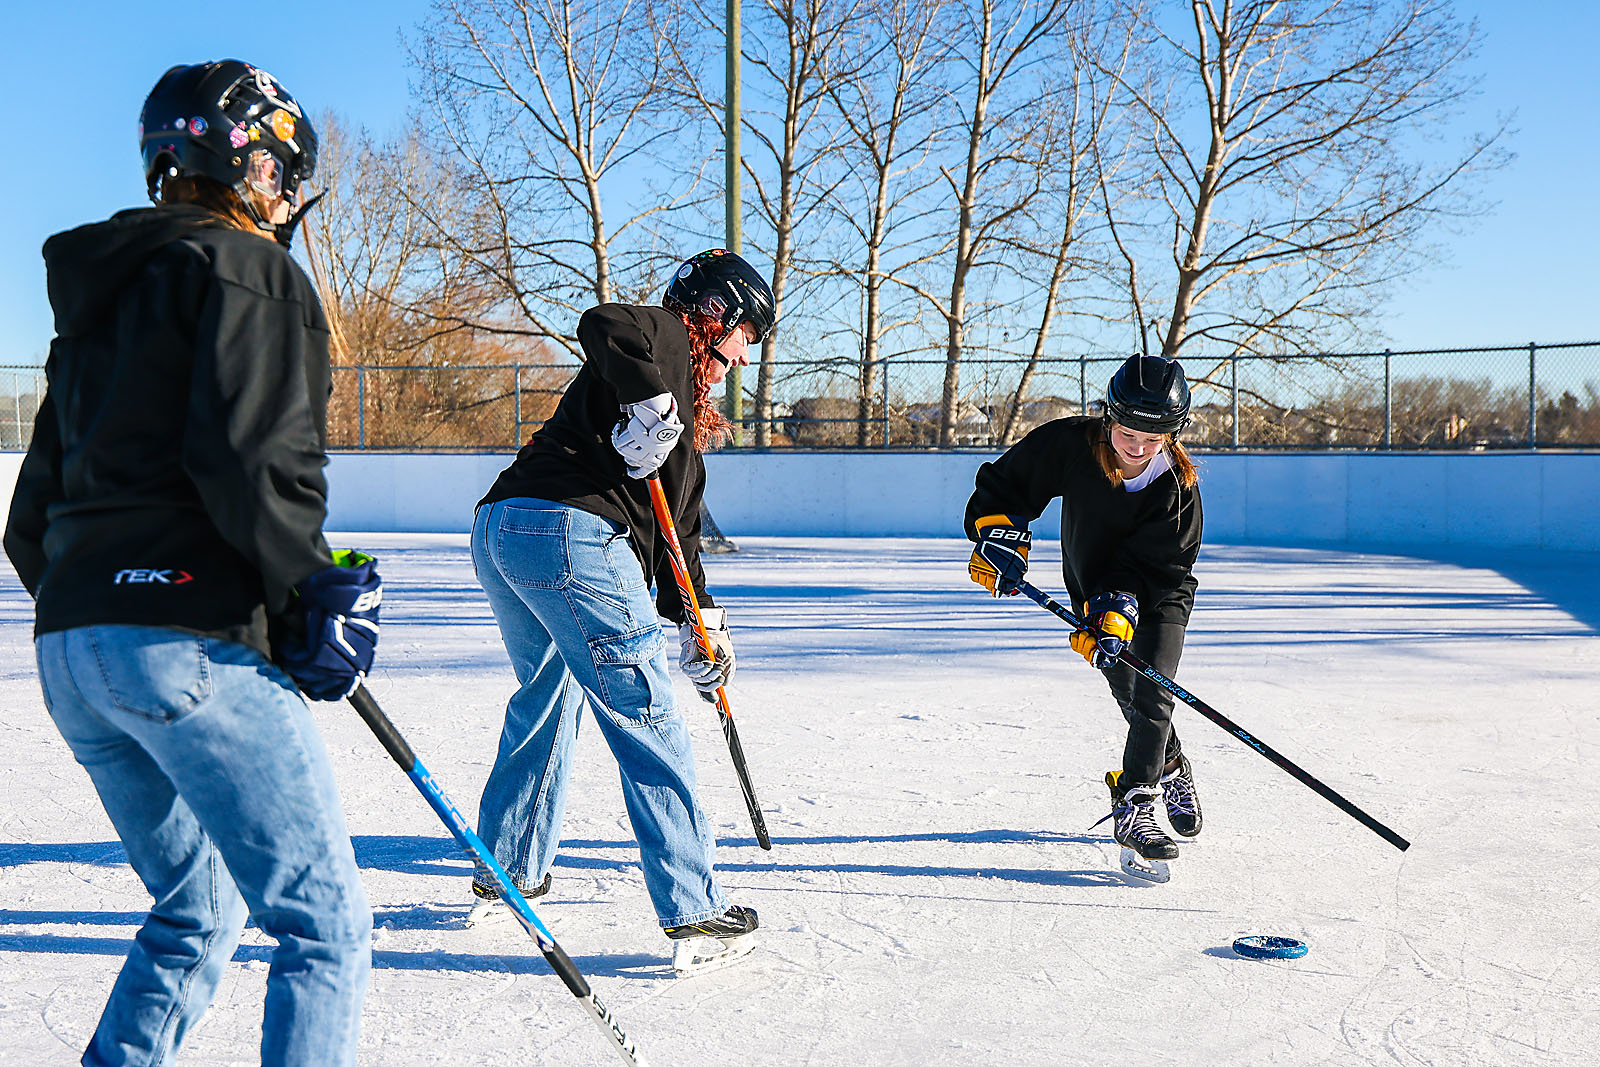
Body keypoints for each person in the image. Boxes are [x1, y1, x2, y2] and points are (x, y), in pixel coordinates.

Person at [4, 61, 380, 1065]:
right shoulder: (250, 271)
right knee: (323, 925)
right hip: (185, 642)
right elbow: (249, 460)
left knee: (198, 907)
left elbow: (29, 515)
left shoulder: (97, 306)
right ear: (254, 167)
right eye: (285, 176)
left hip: (73, 653)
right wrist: (308, 590)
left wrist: (111, 608)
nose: (288, 201)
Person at [468, 248, 774, 974]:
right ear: (715, 315)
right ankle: (693, 905)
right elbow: (604, 320)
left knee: (549, 697)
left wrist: (702, 622)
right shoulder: (665, 337)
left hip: (505, 528)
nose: (740, 359)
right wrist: (652, 401)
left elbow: (680, 543)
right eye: (742, 339)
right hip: (570, 533)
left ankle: (508, 865)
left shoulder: (679, 419)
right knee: (646, 714)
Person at [964, 354, 1204, 880]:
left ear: (1173, 433)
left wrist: (1125, 607)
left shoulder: (1177, 489)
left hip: (1160, 595)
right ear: (1109, 414)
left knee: (1155, 686)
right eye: (1128, 431)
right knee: (1126, 687)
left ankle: (1136, 802)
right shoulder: (1072, 444)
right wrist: (1000, 534)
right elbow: (1005, 485)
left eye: (1153, 437)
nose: (1137, 447)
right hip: (1093, 592)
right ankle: (1171, 764)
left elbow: (1163, 568)